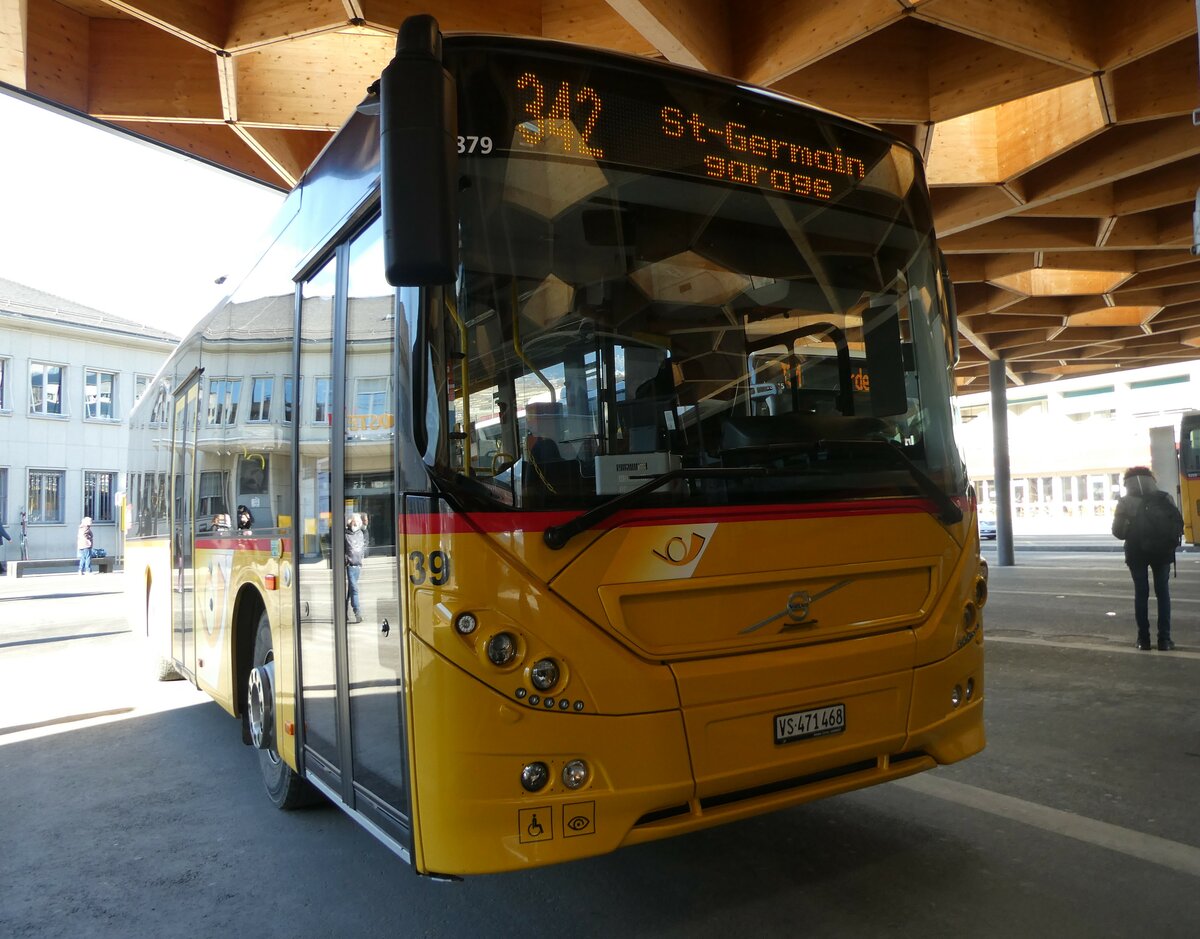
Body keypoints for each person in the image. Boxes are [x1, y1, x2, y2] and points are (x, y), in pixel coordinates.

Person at [1112, 466, 1181, 651]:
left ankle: (1143, 640)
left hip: (1136, 553)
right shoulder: (1165, 498)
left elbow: (1118, 532)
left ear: (1128, 483)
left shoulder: (1125, 502)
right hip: (1163, 552)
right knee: (1163, 593)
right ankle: (1164, 640)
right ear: (1152, 480)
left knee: (1141, 594)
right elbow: (1176, 525)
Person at [345, 513, 365, 624]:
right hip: (350, 565)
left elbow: (362, 547)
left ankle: (344, 612)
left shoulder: (360, 533)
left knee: (351, 591)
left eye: (356, 521)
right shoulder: (345, 534)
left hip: (357, 565)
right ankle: (358, 613)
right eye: (353, 521)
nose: (355, 523)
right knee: (354, 590)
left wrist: (361, 558)